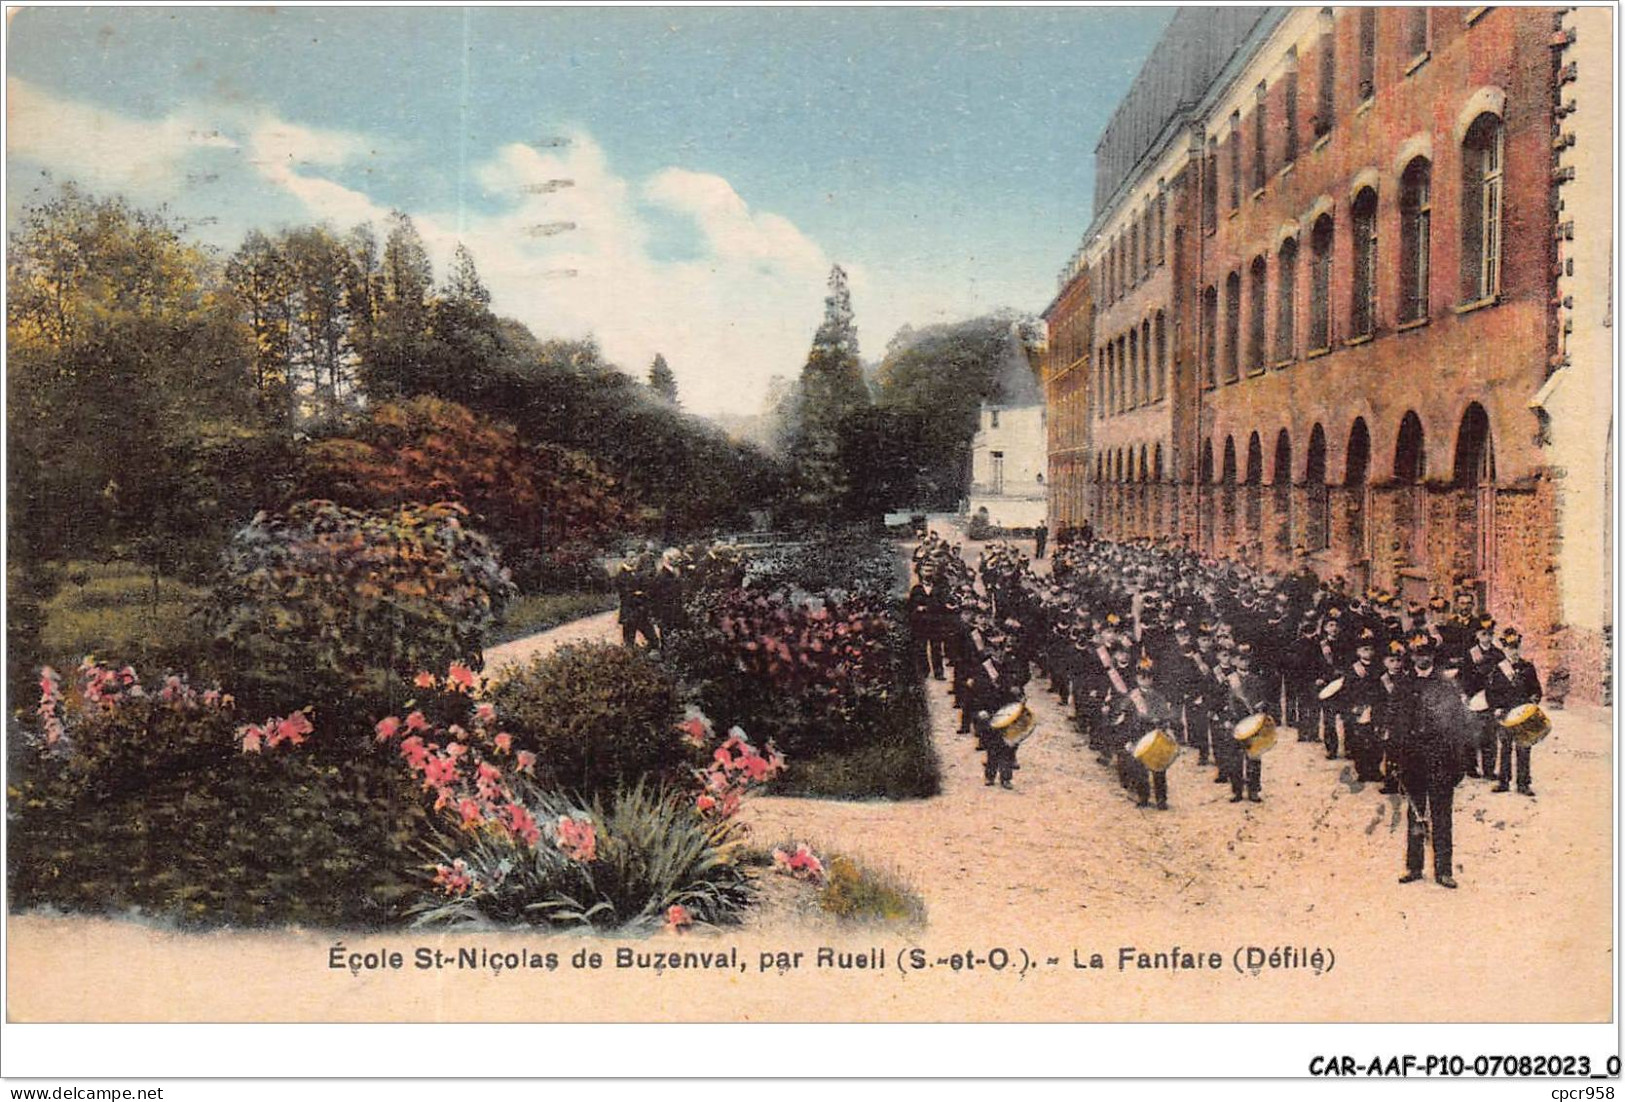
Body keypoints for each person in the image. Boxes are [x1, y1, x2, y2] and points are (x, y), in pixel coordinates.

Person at [1396, 645, 1471, 888]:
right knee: (1416, 813)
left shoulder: (1446, 685)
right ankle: (1414, 867)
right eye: (1418, 653)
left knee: (1441, 815)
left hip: (1440, 758)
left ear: (1432, 656)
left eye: (1426, 653)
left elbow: (1459, 725)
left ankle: (1443, 870)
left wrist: (1458, 763)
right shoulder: (1403, 685)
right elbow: (1394, 721)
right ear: (1412, 656)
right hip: (1413, 758)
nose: (1422, 658)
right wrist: (1396, 759)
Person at [1112, 655, 1177, 809]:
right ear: (1137, 678)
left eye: (1148, 677)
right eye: (1141, 677)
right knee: (1139, 770)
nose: (1145, 680)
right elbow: (1123, 719)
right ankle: (1143, 797)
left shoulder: (1158, 697)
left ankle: (1161, 799)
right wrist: (1127, 740)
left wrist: (1162, 724)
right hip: (1137, 734)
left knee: (1158, 768)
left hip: (1155, 734)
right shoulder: (1131, 697)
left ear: (1152, 679)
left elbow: (1166, 715)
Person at [1486, 626, 1543, 796]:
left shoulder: (1528, 667)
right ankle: (1503, 781)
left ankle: (1523, 783)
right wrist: (1496, 708)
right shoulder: (1498, 669)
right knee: (1505, 748)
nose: (1513, 651)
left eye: (1516, 647)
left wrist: (1534, 699)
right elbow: (1491, 692)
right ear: (1504, 649)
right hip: (1505, 713)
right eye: (1510, 648)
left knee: (1524, 747)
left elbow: (1536, 689)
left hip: (1523, 713)